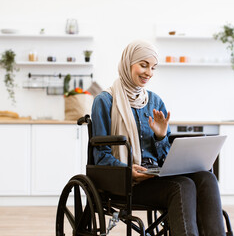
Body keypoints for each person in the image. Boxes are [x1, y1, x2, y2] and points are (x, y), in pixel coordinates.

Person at [91, 40, 226, 236]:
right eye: (143, 65)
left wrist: (161, 136)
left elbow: (165, 158)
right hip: (125, 181)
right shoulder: (104, 101)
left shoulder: (154, 101)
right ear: (127, 63)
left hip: (156, 174)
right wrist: (127, 170)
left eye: (153, 67)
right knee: (183, 186)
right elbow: (100, 155)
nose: (149, 73)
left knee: (207, 178)